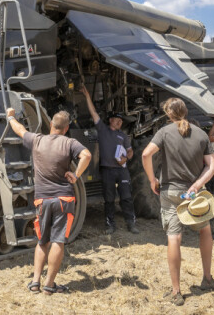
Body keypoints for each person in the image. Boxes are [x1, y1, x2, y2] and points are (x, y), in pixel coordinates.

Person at [142, 98, 214, 305]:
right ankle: (207, 278)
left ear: (168, 114)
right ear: (185, 111)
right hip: (194, 195)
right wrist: (197, 185)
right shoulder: (202, 134)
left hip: (170, 191)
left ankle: (176, 291)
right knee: (205, 231)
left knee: (174, 238)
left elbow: (145, 154)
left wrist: (152, 179)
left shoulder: (164, 132)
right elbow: (212, 166)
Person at [7, 107, 92, 295]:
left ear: (52, 125)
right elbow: (87, 155)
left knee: (42, 241)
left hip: (42, 200)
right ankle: (49, 284)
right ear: (67, 127)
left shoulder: (37, 140)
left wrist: (10, 117)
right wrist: (76, 175)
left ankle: (35, 281)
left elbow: (19, 130)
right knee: (58, 241)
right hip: (63, 198)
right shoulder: (70, 143)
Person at [79, 85, 139, 234]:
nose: (119, 122)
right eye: (117, 119)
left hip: (122, 170)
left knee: (126, 197)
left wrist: (126, 158)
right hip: (107, 170)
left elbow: (130, 151)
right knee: (109, 199)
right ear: (111, 120)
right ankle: (110, 225)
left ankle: (131, 223)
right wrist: (87, 95)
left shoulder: (123, 136)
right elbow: (93, 113)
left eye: (121, 121)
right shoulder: (102, 130)